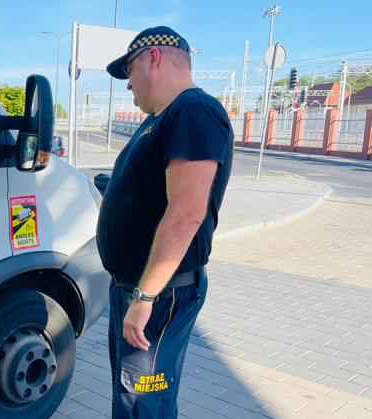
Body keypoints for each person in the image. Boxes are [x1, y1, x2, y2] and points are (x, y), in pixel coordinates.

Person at [96, 26, 234, 418]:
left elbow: (188, 212)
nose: (128, 86)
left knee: (142, 404)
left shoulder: (193, 110)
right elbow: (156, 191)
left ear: (153, 57)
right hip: (139, 290)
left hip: (158, 296)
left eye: (129, 71)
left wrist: (144, 297)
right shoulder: (162, 117)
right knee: (133, 398)